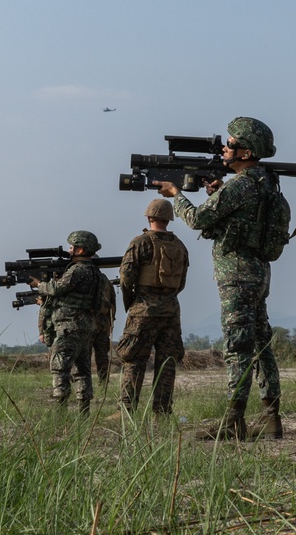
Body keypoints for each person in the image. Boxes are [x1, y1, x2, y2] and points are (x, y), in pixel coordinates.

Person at [156, 117, 284, 441]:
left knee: (237, 344)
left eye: (230, 144)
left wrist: (175, 194)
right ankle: (271, 418)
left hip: (237, 274)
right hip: (257, 273)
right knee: (259, 344)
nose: (225, 149)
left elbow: (199, 219)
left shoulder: (241, 185)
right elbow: (235, 217)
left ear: (246, 151)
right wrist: (216, 192)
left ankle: (232, 420)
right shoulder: (265, 182)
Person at [113, 198, 190, 416]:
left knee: (133, 359)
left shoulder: (140, 242)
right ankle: (162, 412)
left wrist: (131, 303)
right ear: (169, 219)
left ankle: (126, 410)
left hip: (144, 309)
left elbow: (126, 278)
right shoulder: (180, 246)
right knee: (167, 363)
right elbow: (181, 282)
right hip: (172, 311)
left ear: (149, 217)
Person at [30, 231, 105, 414]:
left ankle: (59, 412)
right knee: (82, 371)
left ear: (80, 249)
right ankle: (83, 413)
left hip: (68, 326)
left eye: (72, 247)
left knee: (60, 368)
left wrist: (39, 285)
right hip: (85, 327)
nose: (70, 250)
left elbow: (57, 289)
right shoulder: (95, 272)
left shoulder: (77, 270)